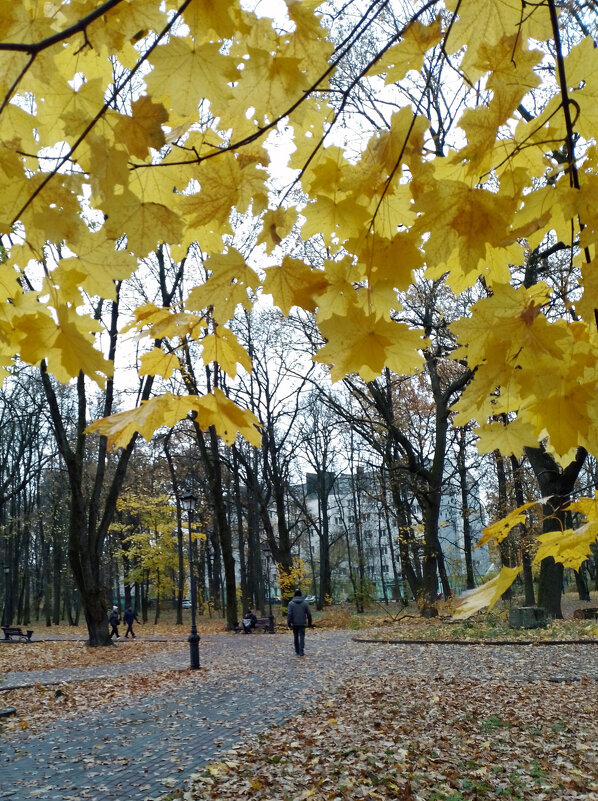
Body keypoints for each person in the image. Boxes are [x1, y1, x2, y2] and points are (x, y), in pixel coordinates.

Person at [287, 589, 312, 656]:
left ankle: (297, 650)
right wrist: (309, 623)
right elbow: (309, 614)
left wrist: (289, 623)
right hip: (302, 622)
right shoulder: (305, 603)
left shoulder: (291, 603)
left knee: (295, 637)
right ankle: (301, 651)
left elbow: (289, 614)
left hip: (294, 623)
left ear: (294, 595)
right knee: (302, 636)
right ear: (301, 595)